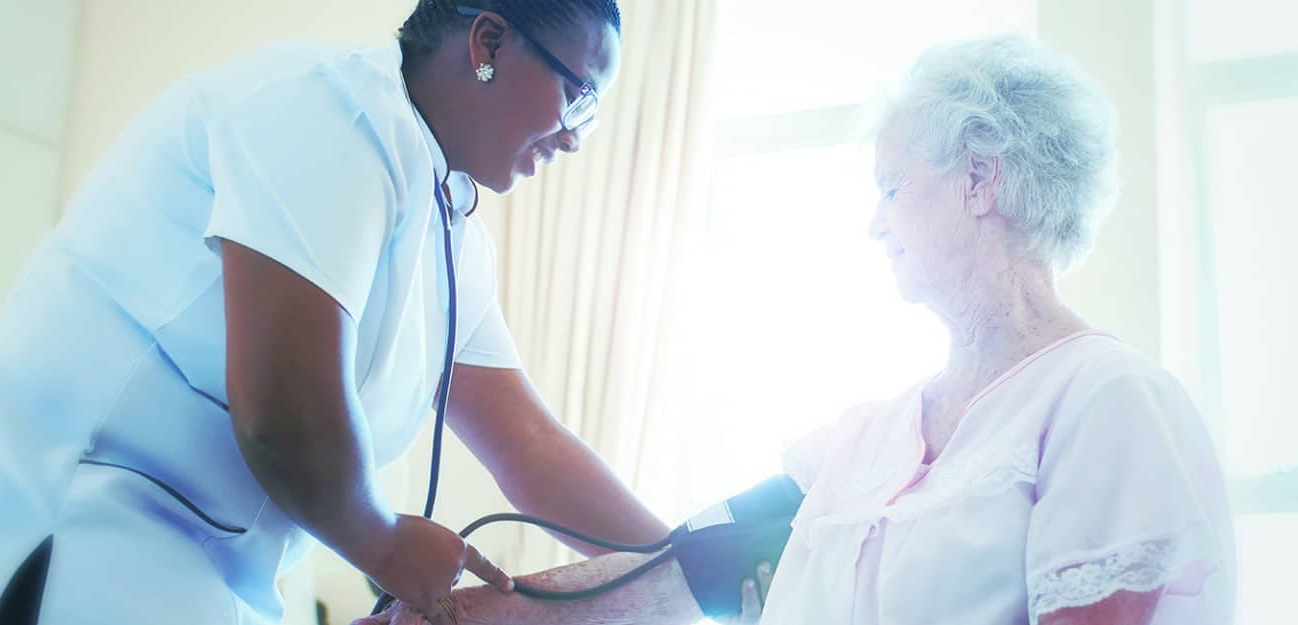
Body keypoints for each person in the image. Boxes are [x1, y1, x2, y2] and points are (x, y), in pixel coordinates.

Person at [360, 33, 1235, 625]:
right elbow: (677, 568)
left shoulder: (1107, 402)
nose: (875, 222)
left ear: (979, 178)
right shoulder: (863, 439)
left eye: (892, 186)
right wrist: (475, 612)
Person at [0, 2, 694, 624]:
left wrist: (689, 562)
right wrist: (383, 544)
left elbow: (527, 443)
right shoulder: (325, 112)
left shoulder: (451, 231)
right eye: (579, 93)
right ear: (488, 44)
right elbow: (283, 413)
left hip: (167, 587)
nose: (577, 135)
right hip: (9, 567)